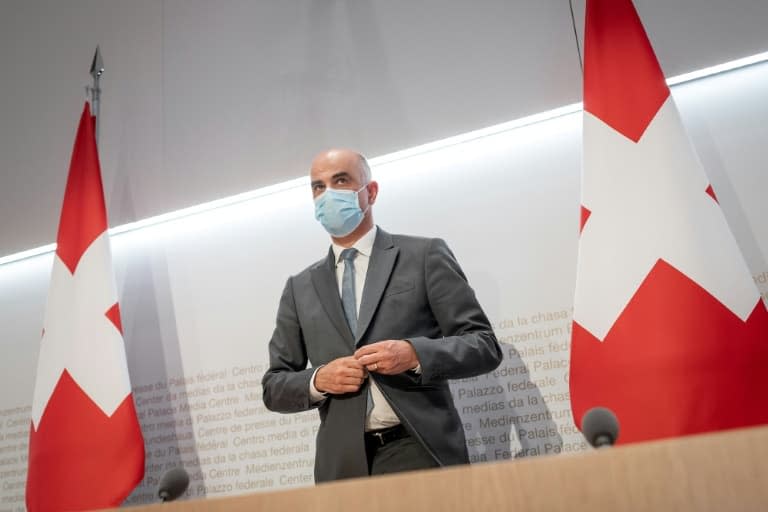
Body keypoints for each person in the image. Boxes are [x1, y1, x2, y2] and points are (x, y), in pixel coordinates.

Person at [262, 148, 502, 482]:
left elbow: (484, 345)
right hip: (342, 467)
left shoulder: (423, 255)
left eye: (340, 180)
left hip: (419, 449)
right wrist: (318, 380)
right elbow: (274, 386)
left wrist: (415, 354)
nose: (327, 194)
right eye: (318, 187)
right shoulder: (299, 288)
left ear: (370, 192)